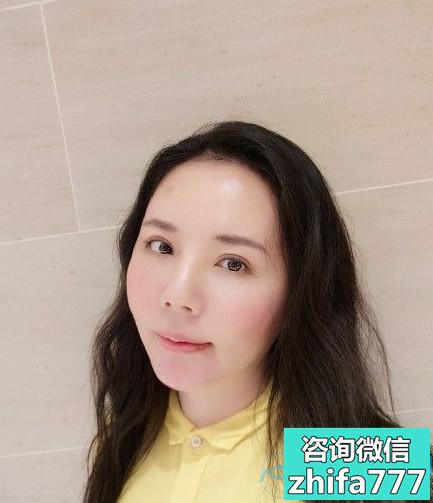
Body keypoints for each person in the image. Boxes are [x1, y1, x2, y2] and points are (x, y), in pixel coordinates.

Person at [82, 121, 432, 503]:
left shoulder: (354, 462)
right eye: (162, 246)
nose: (178, 296)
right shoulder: (125, 434)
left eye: (233, 263)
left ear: (299, 293)